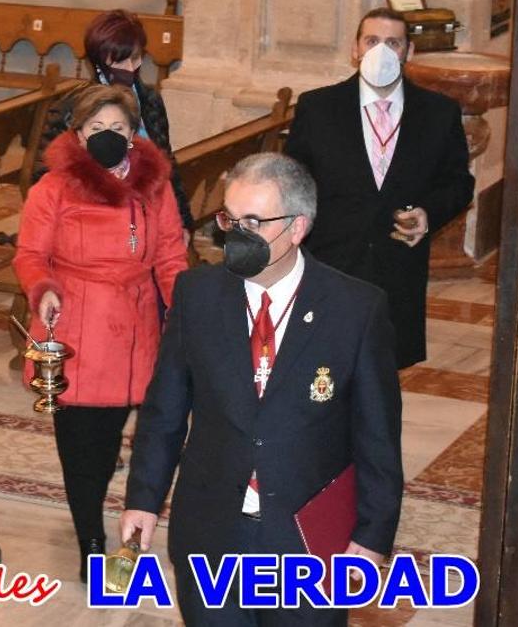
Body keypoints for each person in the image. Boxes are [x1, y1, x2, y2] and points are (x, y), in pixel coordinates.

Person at [121, 153, 404, 626]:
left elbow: (377, 437)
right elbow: (164, 411)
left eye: (254, 221)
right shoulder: (197, 294)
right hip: (211, 532)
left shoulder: (355, 309)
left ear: (297, 227)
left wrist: (373, 535)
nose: (236, 234)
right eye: (229, 218)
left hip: (308, 543)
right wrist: (143, 499)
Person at [13, 84, 188, 582]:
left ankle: (129, 528)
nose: (108, 137)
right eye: (96, 129)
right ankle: (90, 536)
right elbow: (30, 256)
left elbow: (171, 256)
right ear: (78, 133)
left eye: (118, 129)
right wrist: (41, 286)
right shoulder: (54, 189)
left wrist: (186, 306)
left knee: (115, 436)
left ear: (134, 135)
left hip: (135, 325)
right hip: (78, 323)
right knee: (82, 444)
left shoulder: (156, 185)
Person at [284, 7, 473, 368]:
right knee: (323, 373)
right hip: (332, 261)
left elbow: (458, 182)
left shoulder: (438, 112)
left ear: (409, 52)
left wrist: (427, 214)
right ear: (355, 49)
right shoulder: (318, 107)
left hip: (397, 266)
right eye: (372, 41)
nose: (381, 51)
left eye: (393, 42)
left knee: (381, 382)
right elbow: (294, 179)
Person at [34, 9, 194, 241]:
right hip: (92, 220)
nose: (130, 68)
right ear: (99, 61)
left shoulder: (150, 100)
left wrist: (183, 221)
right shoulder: (72, 107)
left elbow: (166, 161)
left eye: (136, 58)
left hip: (149, 213)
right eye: (120, 61)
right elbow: (45, 174)